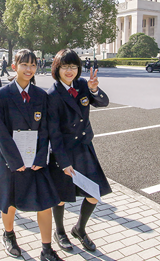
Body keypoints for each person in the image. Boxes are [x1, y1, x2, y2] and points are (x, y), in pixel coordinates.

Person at [0, 49, 63, 261]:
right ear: (15, 67)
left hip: (36, 160)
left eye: (33, 65)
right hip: (9, 160)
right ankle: (9, 235)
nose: (29, 69)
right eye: (24, 64)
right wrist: (15, 161)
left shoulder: (41, 95)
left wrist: (41, 157)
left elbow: (46, 129)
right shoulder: (1, 95)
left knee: (45, 202)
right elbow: (0, 131)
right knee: (9, 201)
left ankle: (47, 249)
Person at [47, 49, 111, 252]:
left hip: (84, 148)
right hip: (63, 152)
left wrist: (94, 90)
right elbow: (54, 133)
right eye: (65, 66)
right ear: (57, 69)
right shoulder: (52, 94)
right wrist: (63, 161)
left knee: (94, 192)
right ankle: (60, 231)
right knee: (60, 196)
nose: (70, 71)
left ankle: (79, 229)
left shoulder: (84, 85)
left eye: (73, 66)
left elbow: (103, 102)